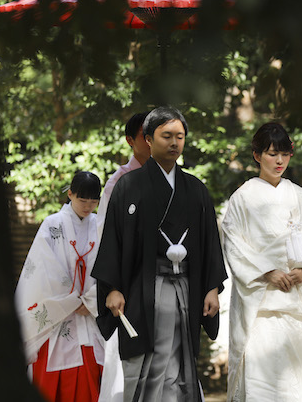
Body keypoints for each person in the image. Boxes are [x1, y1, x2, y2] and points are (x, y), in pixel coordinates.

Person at [91, 105, 228, 402]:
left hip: (186, 289)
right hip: (142, 290)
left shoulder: (195, 189)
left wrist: (211, 288)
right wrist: (112, 289)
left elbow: (209, 244)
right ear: (149, 139)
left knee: (179, 364)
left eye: (180, 136)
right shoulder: (128, 186)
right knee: (144, 364)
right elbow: (112, 240)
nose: (174, 143)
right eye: (166, 136)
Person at [221, 122, 302, 402]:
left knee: (299, 383)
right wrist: (267, 271)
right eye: (272, 154)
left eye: (284, 153)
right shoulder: (243, 198)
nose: (279, 160)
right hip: (261, 305)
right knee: (262, 382)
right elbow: (234, 242)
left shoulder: (301, 197)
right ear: (257, 155)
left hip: (297, 304)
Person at [15, 171, 105, 402]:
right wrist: (71, 302)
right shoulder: (52, 224)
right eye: (82, 200)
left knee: (97, 372)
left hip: (91, 313)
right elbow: (44, 269)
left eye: (93, 201)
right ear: (70, 194)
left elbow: (109, 267)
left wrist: (92, 300)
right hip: (59, 314)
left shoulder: (101, 225)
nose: (88, 206)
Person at [97, 112, 150, 402]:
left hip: (166, 282)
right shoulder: (118, 182)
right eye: (145, 134)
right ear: (131, 140)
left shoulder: (172, 179)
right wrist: (112, 287)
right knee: (127, 367)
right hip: (129, 287)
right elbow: (105, 239)